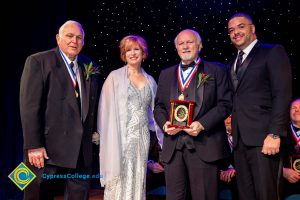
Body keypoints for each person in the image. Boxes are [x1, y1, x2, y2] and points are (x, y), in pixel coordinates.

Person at [19, 20, 101, 200]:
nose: (74, 41)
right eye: (70, 36)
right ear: (58, 38)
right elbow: (29, 107)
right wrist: (33, 145)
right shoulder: (38, 61)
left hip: (81, 152)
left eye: (79, 37)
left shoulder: (89, 65)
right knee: (35, 195)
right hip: (44, 151)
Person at [154, 29, 232, 200]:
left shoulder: (217, 70)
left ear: (200, 45)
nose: (185, 46)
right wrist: (165, 124)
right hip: (173, 147)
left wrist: (202, 124)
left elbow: (225, 104)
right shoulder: (166, 74)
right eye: (181, 43)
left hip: (205, 144)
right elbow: (159, 107)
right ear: (176, 48)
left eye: (189, 42)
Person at [227, 12, 292, 200]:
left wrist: (274, 133)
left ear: (252, 29)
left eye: (241, 27)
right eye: (231, 30)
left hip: (265, 139)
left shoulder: (272, 52)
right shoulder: (232, 63)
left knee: (267, 194)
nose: (235, 32)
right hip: (240, 142)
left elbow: (282, 94)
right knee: (246, 195)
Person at [97, 35, 163, 200]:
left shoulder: (151, 81)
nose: (132, 53)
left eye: (136, 49)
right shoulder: (114, 77)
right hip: (120, 138)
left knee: (137, 178)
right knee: (119, 179)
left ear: (143, 52)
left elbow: (155, 115)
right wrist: (106, 138)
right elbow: (104, 111)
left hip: (142, 138)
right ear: (123, 54)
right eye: (128, 50)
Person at [282, 98, 300, 198]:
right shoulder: (279, 134)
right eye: (293, 108)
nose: (297, 110)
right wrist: (283, 171)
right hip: (287, 187)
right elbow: (269, 161)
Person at [219, 115, 238, 200]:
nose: (227, 121)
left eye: (230, 117)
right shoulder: (218, 138)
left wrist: (235, 170)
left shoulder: (244, 137)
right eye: (225, 118)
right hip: (221, 179)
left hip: (240, 178)